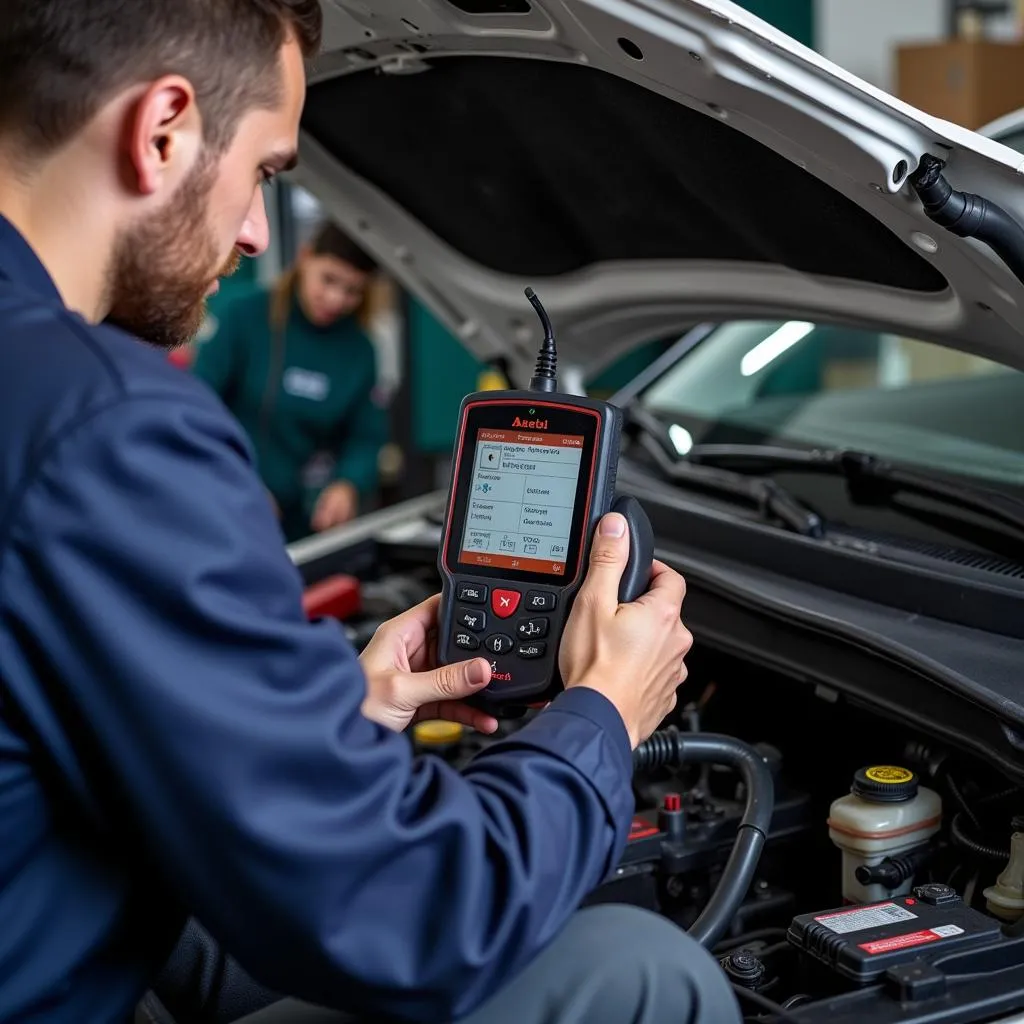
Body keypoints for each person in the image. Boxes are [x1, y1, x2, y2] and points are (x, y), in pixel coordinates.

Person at [0, 5, 740, 1024]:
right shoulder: (101, 424)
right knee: (642, 972)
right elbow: (432, 917)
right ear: (163, 126)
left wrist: (333, 725)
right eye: (264, 170)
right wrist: (605, 712)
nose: (260, 231)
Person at [192, 222, 389, 541]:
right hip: (224, 499)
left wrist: (348, 484)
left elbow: (366, 436)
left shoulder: (360, 350)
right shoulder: (243, 316)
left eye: (352, 291)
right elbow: (199, 404)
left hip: (303, 522)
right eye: (328, 280)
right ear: (305, 257)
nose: (335, 299)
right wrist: (241, 479)